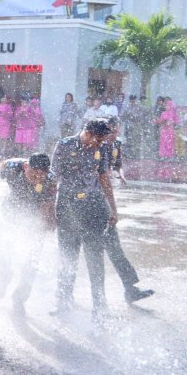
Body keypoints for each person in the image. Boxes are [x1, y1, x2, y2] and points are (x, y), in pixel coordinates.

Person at [51, 118, 117, 325]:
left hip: (93, 208)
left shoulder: (102, 148)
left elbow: (104, 178)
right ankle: (63, 300)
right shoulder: (64, 145)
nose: (99, 144)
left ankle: (99, 304)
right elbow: (54, 178)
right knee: (67, 256)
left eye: (102, 140)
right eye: (97, 139)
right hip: (68, 207)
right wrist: (49, 209)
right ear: (87, 132)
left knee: (95, 258)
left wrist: (113, 208)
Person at [0, 153, 56, 315]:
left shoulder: (50, 179)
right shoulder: (10, 166)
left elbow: (47, 205)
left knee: (32, 258)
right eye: (34, 173)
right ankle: (4, 275)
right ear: (26, 167)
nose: (37, 177)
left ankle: (20, 298)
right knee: (4, 248)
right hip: (11, 208)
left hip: (35, 213)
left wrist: (44, 225)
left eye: (41, 174)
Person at [101, 116, 155, 303]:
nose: (114, 134)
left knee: (114, 247)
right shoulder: (95, 145)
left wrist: (120, 175)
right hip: (90, 200)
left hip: (103, 201)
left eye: (117, 131)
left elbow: (117, 165)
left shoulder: (115, 145)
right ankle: (63, 295)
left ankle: (129, 288)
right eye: (111, 131)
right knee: (78, 250)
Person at [121, 95, 147, 159]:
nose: (132, 101)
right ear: (130, 100)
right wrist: (128, 120)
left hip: (137, 127)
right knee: (129, 142)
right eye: (131, 100)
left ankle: (137, 155)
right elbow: (123, 117)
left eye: (134, 100)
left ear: (135, 100)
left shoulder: (140, 107)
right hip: (129, 127)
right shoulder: (127, 108)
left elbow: (143, 116)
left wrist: (140, 122)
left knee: (137, 141)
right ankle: (130, 155)